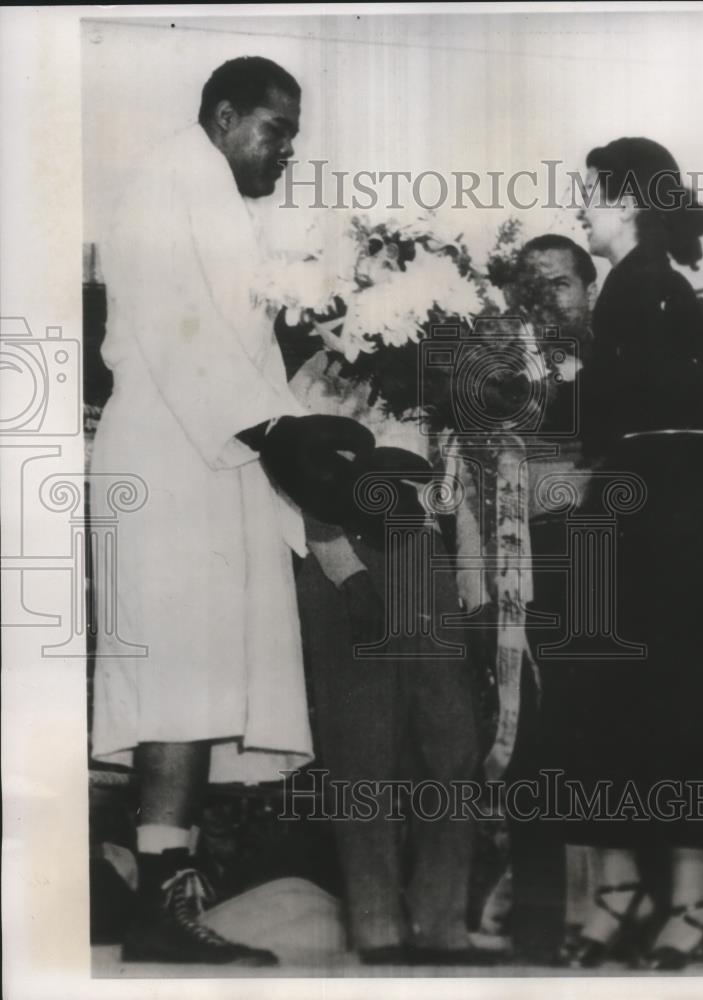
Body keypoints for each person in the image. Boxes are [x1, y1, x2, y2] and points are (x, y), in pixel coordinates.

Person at [89, 57, 382, 965]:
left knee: (204, 673)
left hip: (209, 454)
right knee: (178, 675)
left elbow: (233, 346)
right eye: (274, 129)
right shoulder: (164, 180)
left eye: (292, 134)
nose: (285, 150)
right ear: (223, 116)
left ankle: (163, 890)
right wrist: (276, 430)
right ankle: (156, 909)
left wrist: (295, 426)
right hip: (172, 452)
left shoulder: (209, 191)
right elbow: (178, 330)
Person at [545, 137, 703, 970]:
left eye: (588, 194)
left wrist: (548, 382)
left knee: (674, 707)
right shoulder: (637, 291)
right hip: (638, 514)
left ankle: (692, 906)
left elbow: (613, 425)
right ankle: (623, 891)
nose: (579, 208)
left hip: (664, 523)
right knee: (615, 703)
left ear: (624, 202)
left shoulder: (651, 293)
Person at [290, 348, 488, 966]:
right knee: (362, 747)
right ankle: (377, 926)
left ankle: (443, 923)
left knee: (451, 743)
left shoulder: (436, 372)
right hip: (345, 566)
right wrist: (346, 573)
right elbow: (296, 480)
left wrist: (476, 595)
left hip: (425, 562)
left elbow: (461, 490)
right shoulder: (318, 372)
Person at [478, 236, 599, 961]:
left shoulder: (615, 365)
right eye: (532, 287)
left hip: (601, 570)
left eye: (560, 284)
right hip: (520, 574)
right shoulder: (502, 370)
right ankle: (535, 921)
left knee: (592, 741)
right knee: (525, 740)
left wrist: (560, 484)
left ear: (588, 287)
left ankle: (598, 913)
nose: (548, 299)